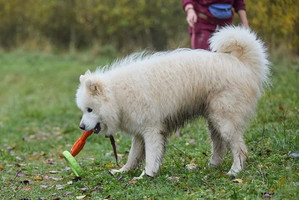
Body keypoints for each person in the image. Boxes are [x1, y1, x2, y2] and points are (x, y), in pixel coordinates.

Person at [182, 0, 249, 50]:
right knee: (202, 57)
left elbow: (239, 4)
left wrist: (245, 23)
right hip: (203, 24)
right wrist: (190, 10)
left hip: (226, 26)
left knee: (226, 59)